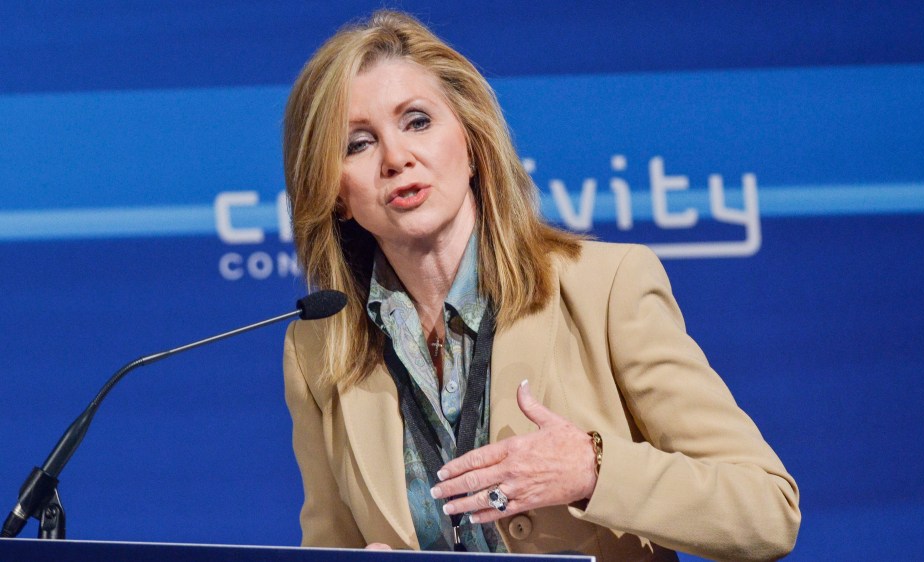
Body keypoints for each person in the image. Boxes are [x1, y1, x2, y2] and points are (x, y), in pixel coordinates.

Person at [281, 10, 800, 562]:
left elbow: (767, 510)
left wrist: (593, 470)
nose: (396, 158)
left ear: (472, 140)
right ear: (334, 192)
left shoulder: (604, 287)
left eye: (417, 122)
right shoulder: (318, 351)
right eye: (358, 144)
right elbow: (329, 547)